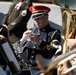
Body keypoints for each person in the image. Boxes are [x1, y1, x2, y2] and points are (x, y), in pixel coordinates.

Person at [13, 5, 62, 75]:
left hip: (43, 70)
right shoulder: (30, 31)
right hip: (28, 69)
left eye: (39, 18)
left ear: (46, 17)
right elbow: (17, 51)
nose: (36, 21)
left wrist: (39, 42)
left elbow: (55, 52)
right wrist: (22, 40)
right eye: (34, 18)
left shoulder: (54, 33)